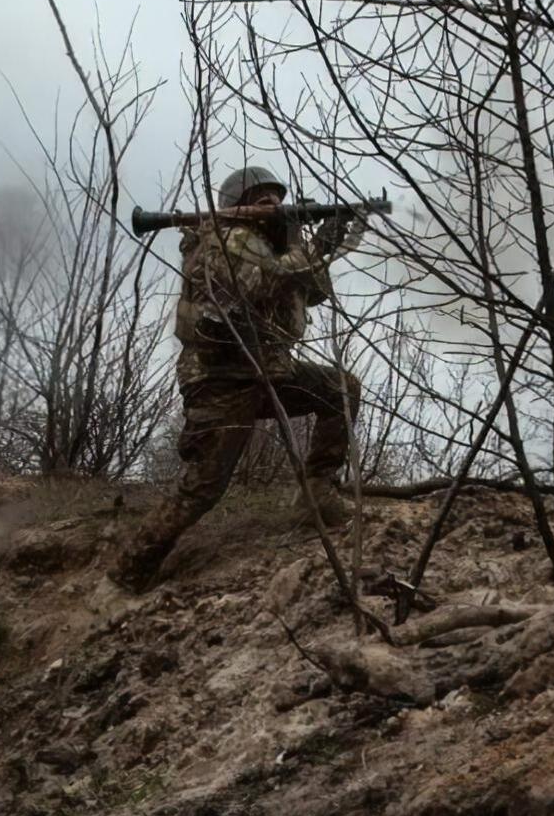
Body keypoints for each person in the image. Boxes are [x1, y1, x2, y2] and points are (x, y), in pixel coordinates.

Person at [108, 165, 363, 594]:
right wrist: (313, 247)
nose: (272, 205)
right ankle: (123, 578)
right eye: (260, 198)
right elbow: (255, 287)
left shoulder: (272, 244)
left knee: (341, 388)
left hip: (267, 370)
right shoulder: (224, 241)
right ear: (237, 206)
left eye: (276, 198)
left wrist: (323, 243)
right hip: (221, 378)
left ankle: (316, 491)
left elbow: (311, 291)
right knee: (201, 490)